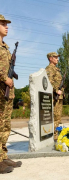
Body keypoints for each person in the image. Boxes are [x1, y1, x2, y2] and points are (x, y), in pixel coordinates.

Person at [0, 14, 22, 174]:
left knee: (6, 126)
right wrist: (4, 78)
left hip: (6, 93)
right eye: (3, 24)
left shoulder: (5, 47)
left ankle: (3, 156)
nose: (6, 26)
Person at [45, 52, 64, 140]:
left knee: (58, 117)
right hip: (53, 96)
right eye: (55, 57)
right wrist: (56, 90)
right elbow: (49, 81)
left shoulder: (56, 69)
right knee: (54, 116)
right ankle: (53, 135)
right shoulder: (49, 69)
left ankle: (55, 133)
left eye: (57, 57)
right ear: (50, 58)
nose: (58, 59)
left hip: (59, 96)